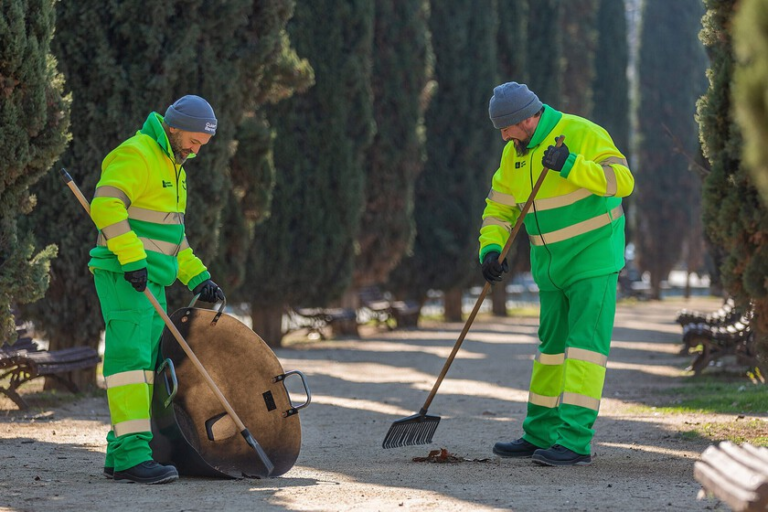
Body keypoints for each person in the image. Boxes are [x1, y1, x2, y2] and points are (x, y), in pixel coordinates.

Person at [479, 82, 634, 466]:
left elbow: (622, 182)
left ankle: (575, 442)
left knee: (584, 350)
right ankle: (539, 433)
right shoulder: (513, 155)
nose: (503, 136)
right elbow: (499, 209)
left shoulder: (582, 132)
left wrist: (571, 164)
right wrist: (491, 249)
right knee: (550, 352)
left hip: (593, 261)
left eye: (506, 128)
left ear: (526, 119)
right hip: (550, 269)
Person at [89, 95, 226, 484]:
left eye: (202, 144)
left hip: (151, 281)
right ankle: (133, 456)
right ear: (174, 127)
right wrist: (132, 259)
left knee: (145, 368)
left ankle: (119, 452)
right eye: (194, 141)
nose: (196, 151)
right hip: (125, 275)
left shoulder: (174, 168)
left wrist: (198, 277)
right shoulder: (138, 153)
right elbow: (105, 205)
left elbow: (172, 239)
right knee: (130, 364)